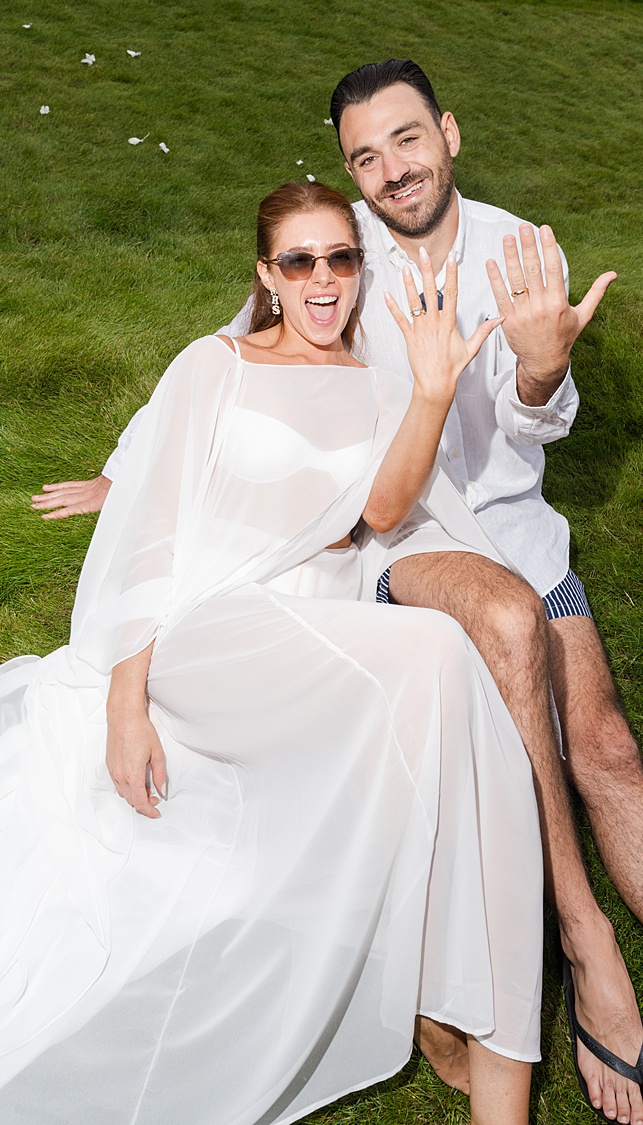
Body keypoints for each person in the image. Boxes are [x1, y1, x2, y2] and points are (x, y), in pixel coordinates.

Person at [31, 61, 643, 1125]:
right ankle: (583, 941)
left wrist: (545, 370)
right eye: (365, 155)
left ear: (449, 133)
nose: (389, 171)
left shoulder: (515, 248)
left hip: (506, 528)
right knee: (504, 632)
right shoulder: (340, 247)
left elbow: (529, 415)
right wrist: (123, 473)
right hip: (397, 539)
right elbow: (233, 365)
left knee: (601, 744)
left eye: (406, 142)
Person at [0, 182, 546, 1124]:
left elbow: (382, 509)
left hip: (302, 628)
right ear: (267, 275)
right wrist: (125, 701)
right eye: (300, 261)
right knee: (441, 661)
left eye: (341, 258)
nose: (324, 280)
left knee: (452, 690)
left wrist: (428, 390)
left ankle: (500, 1074)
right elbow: (150, 540)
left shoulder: (375, 378)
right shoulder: (215, 366)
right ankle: (452, 1002)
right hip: (196, 629)